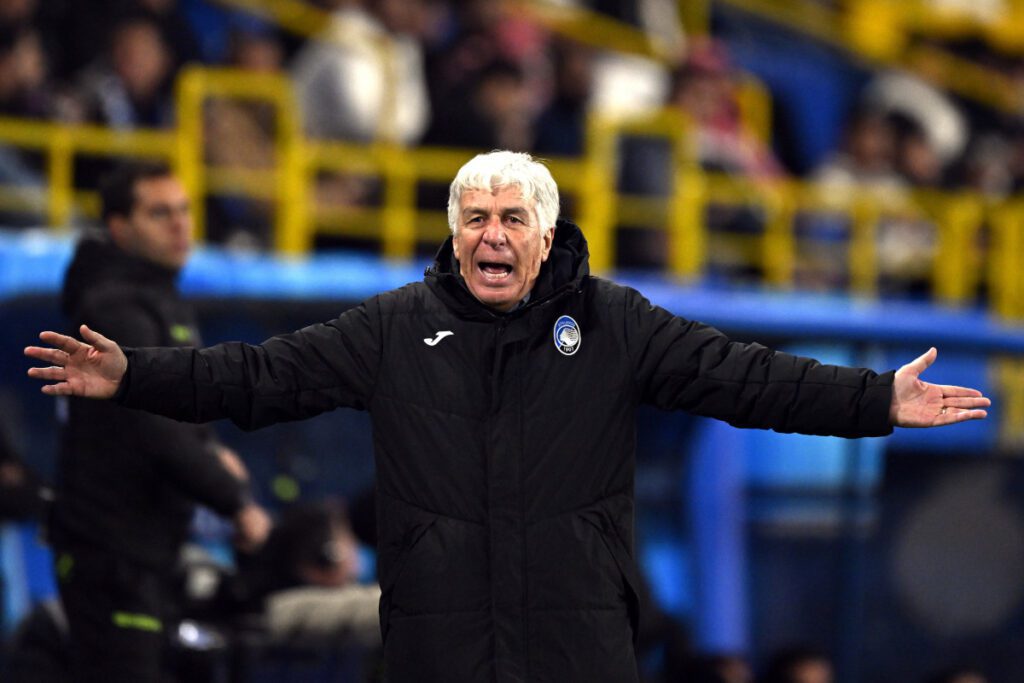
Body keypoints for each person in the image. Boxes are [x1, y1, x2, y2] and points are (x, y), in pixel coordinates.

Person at [25, 151, 990, 682]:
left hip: (578, 653)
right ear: (453, 235)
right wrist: (136, 374)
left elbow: (746, 379)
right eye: (475, 218)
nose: (492, 234)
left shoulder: (615, 323)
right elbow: (253, 376)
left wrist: (877, 399)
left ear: (546, 231)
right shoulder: (392, 328)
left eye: (512, 218)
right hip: (438, 653)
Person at [37, 161, 271, 682]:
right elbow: (154, 428)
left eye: (185, 210)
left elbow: (179, 402)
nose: (180, 225)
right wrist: (234, 501)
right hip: (111, 552)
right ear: (120, 227)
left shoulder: (158, 298)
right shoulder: (113, 308)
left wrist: (210, 449)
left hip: (144, 549)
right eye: (159, 213)